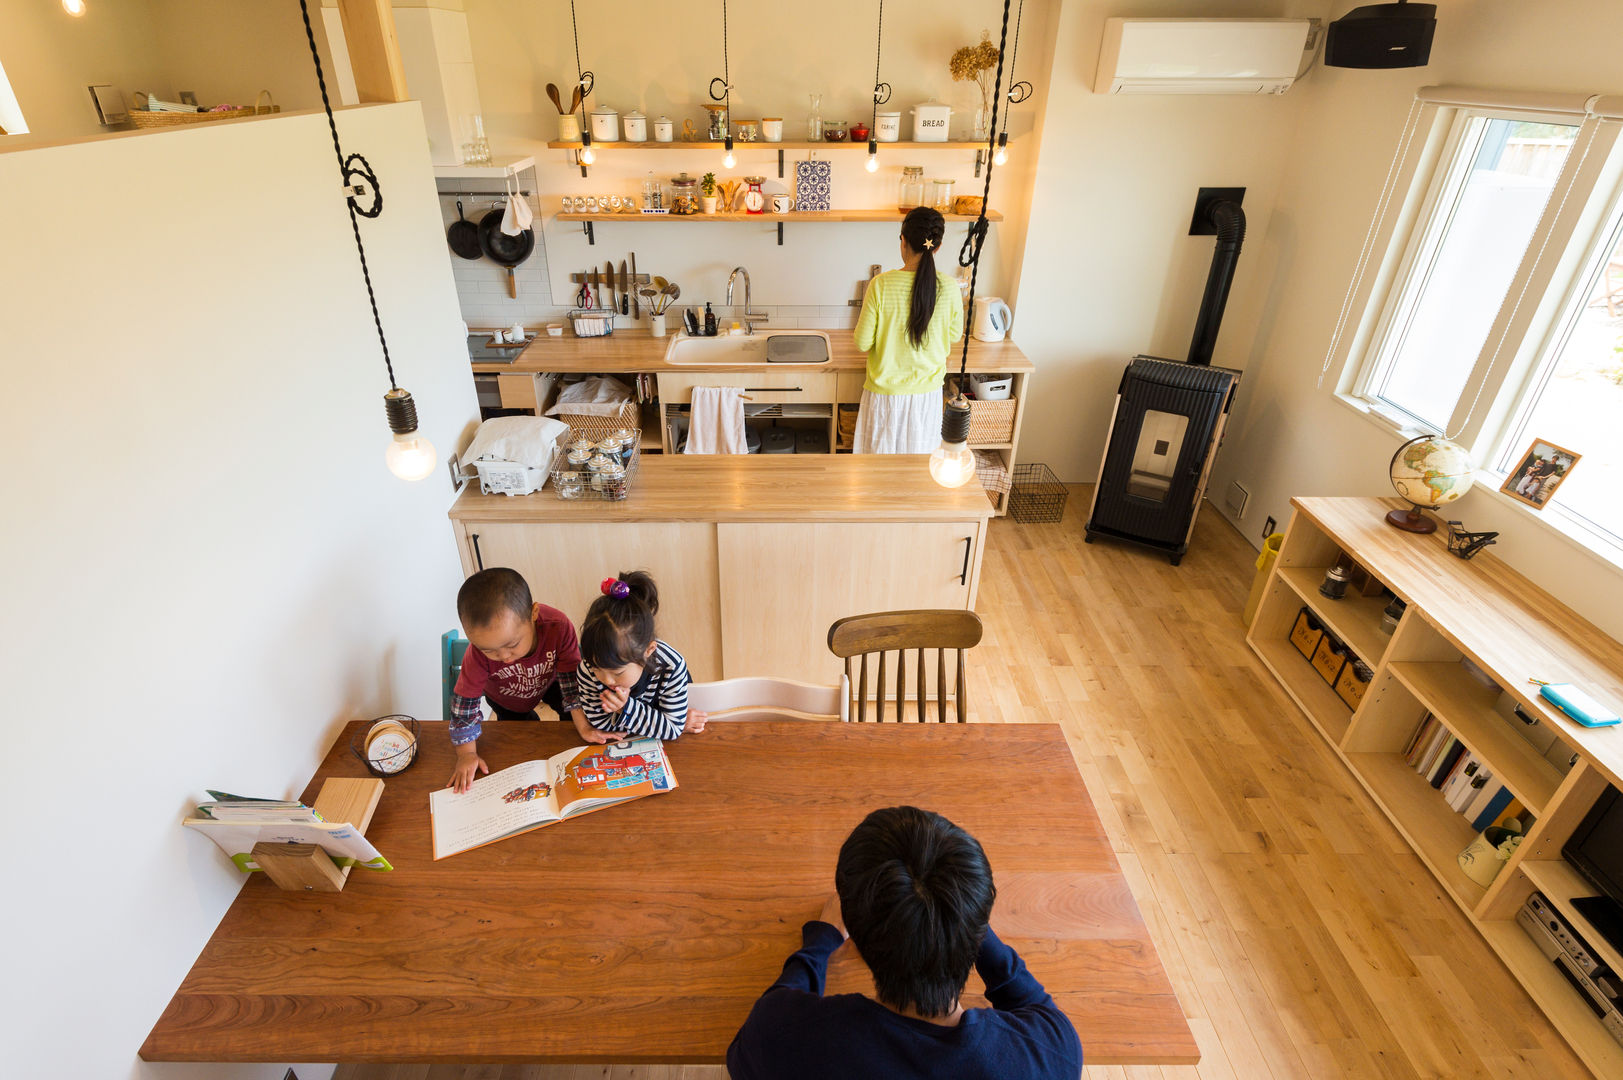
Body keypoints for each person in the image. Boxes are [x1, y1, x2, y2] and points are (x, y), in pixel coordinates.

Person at [727, 805, 1083, 1079]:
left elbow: (749, 1046)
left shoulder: (783, 1037)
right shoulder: (1050, 1053)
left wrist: (822, 941)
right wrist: (962, 917)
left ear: (859, 937)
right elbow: (1033, 1004)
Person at [446, 568, 584, 793]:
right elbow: (464, 711)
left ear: (533, 613)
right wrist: (467, 754)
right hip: (505, 698)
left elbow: (572, 682)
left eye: (511, 645)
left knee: (572, 728)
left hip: (552, 682)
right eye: (489, 650)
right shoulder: (476, 656)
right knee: (522, 741)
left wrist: (583, 724)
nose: (504, 658)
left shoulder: (557, 627)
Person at [852, 206, 966, 454]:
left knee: (877, 476)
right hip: (926, 401)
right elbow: (955, 335)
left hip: (885, 399)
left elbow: (861, 343)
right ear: (938, 246)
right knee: (915, 478)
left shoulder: (880, 284)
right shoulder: (949, 287)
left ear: (903, 240)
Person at [574, 571, 706, 742]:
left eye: (617, 673)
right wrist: (650, 720)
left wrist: (625, 708)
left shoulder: (671, 666)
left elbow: (673, 728)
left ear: (648, 650)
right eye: (597, 669)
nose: (606, 680)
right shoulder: (587, 669)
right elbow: (599, 725)